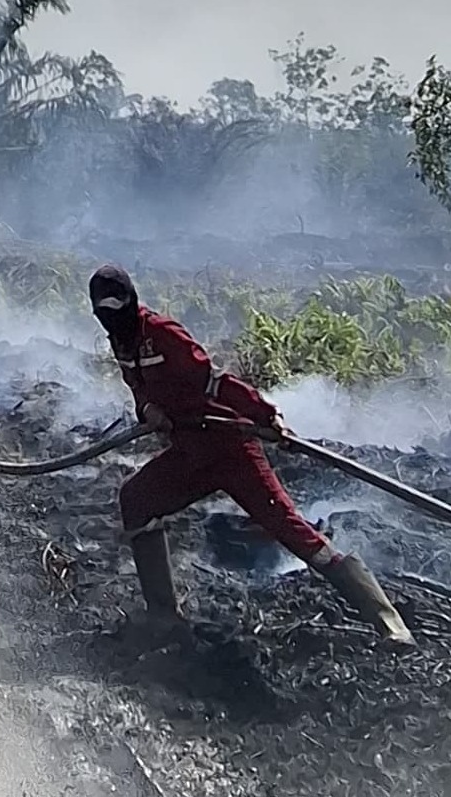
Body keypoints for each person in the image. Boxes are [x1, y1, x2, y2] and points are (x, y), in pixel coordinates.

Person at [85, 263, 412, 643]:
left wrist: (265, 415)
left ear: (131, 301)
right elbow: (139, 388)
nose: (112, 317)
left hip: (230, 447)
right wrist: (148, 409)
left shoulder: (162, 334)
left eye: (117, 308)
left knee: (292, 531)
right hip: (190, 452)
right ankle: (164, 617)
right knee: (136, 498)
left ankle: (389, 623)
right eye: (104, 312)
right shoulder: (121, 342)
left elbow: (215, 383)